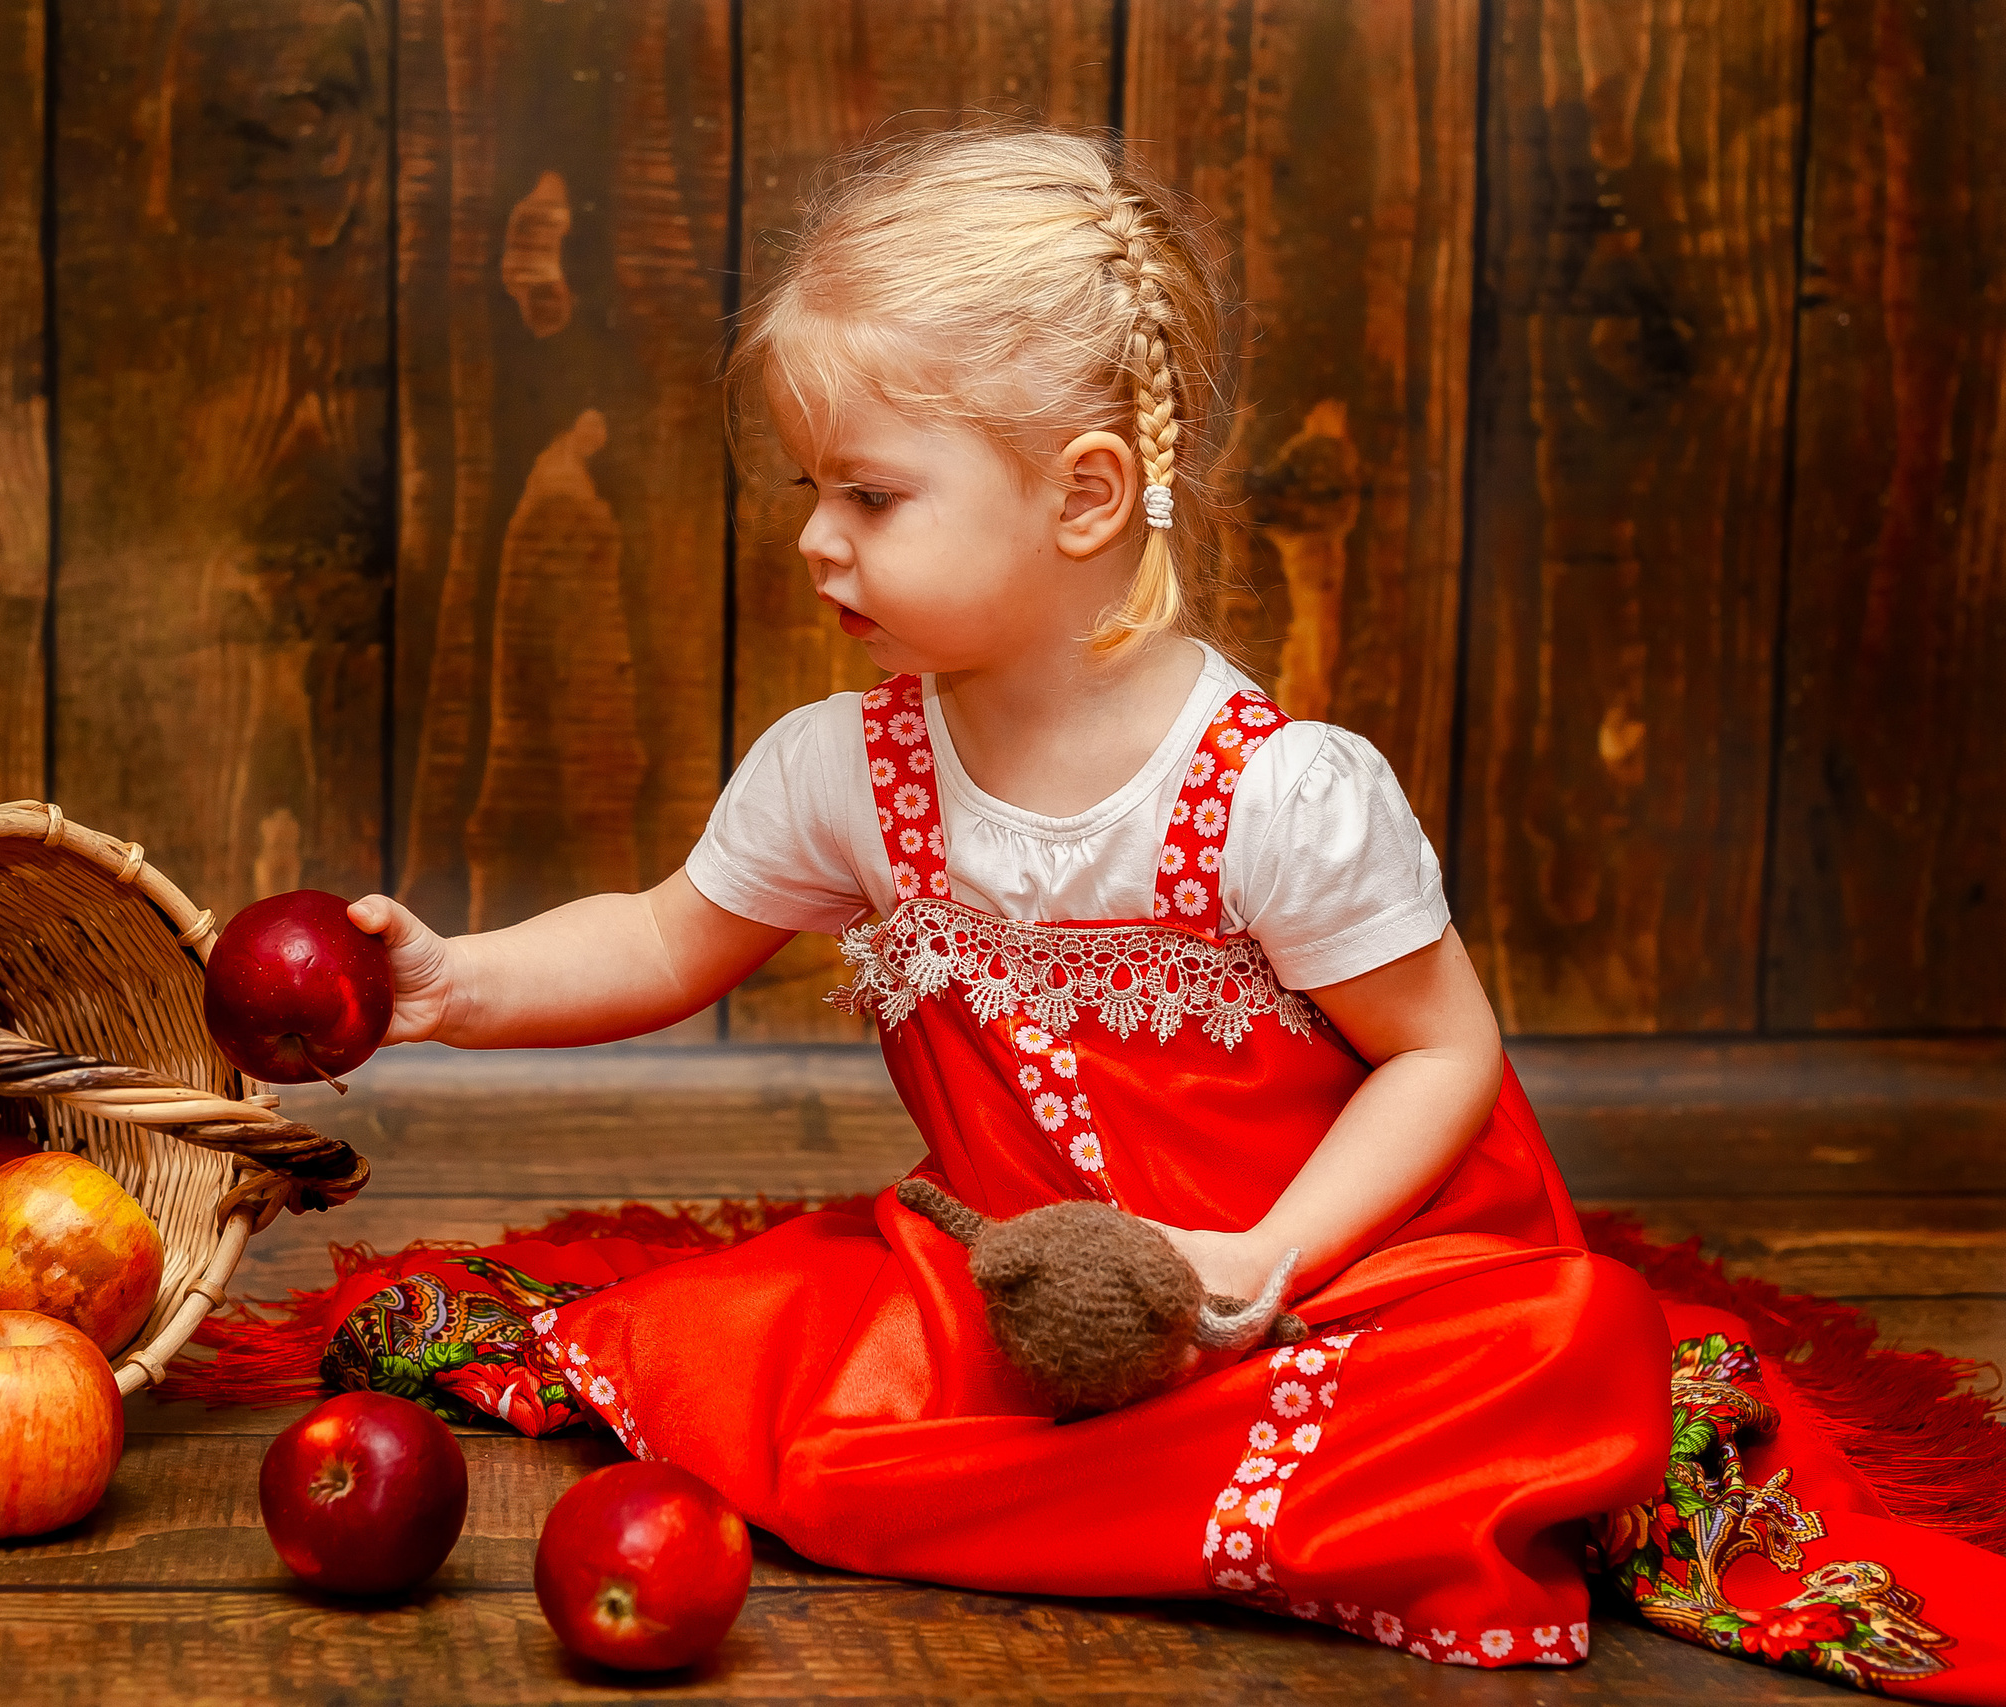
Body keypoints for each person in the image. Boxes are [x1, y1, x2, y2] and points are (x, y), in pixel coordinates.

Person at [185, 126, 2005, 1697]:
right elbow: (666, 938)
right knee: (767, 1350)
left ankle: (1136, 1485)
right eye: (812, 491)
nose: (819, 542)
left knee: (1566, 1353)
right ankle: (1091, 1489)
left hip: (1330, 1289)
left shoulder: (1279, 798)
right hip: (1026, 1281)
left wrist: (1263, 1261)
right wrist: (448, 986)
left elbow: (1446, 1062)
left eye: (872, 495)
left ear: (1084, 494)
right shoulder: (844, 771)